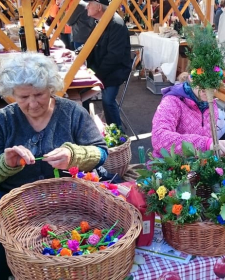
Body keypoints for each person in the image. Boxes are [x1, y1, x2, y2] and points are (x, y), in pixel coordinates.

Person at [0, 52, 108, 279]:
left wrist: (74, 154)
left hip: (69, 205)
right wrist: (6, 164)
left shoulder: (71, 113)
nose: (32, 103)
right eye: (23, 97)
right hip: (16, 213)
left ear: (51, 87)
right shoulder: (5, 120)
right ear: (12, 95)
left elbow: (101, 153)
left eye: (38, 94)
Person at [151, 77, 225, 158]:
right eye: (202, 84)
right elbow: (158, 138)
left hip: (198, 165)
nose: (207, 90)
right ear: (191, 77)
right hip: (170, 166)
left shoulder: (212, 105)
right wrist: (205, 144)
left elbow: (209, 143)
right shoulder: (172, 101)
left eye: (213, 85)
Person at [84, 0, 132, 129]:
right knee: (80, 93)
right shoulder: (100, 21)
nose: (87, 6)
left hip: (114, 71)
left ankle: (117, 135)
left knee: (108, 101)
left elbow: (114, 57)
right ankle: (87, 128)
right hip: (101, 69)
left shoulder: (116, 23)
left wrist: (97, 75)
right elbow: (91, 44)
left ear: (99, 7)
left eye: (90, 3)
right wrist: (78, 54)